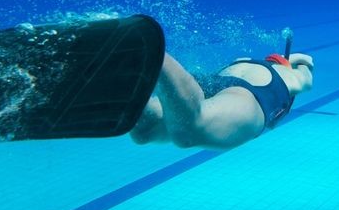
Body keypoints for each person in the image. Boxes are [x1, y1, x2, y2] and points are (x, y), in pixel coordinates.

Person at [130, 51, 315, 149]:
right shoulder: (291, 77)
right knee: (187, 132)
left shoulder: (245, 59)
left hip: (212, 82)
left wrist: (287, 59)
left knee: (144, 131)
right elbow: (307, 76)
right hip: (246, 94)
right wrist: (302, 65)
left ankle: (123, 78)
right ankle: (154, 53)